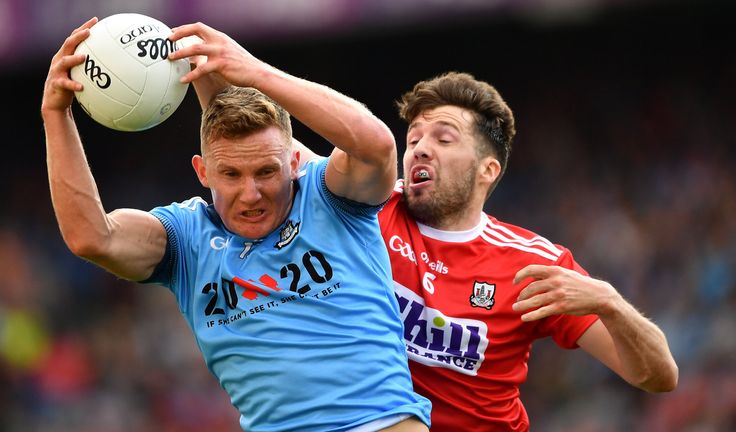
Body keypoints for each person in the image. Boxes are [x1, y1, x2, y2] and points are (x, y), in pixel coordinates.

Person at [41, 18, 431, 432]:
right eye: (231, 176)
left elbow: (376, 145)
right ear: (202, 172)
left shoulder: (330, 198)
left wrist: (253, 71)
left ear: (295, 163)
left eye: (266, 172)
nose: (251, 194)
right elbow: (91, 237)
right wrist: (55, 113)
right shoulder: (186, 239)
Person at [287, 72, 679, 431]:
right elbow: (281, 152)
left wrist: (609, 302)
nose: (420, 149)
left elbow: (659, 376)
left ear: (487, 170)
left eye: (443, 139)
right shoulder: (360, 209)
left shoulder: (533, 264)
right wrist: (236, 72)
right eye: (413, 139)